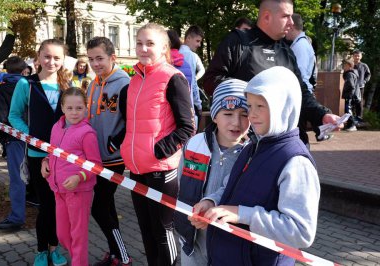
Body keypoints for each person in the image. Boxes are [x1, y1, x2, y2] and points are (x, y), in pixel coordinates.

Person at [203, 66, 320, 265]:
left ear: (282, 107)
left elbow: (301, 232)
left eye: (261, 106)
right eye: (250, 105)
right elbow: (230, 187)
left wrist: (242, 214)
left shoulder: (295, 162)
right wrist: (212, 203)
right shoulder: (252, 147)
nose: (252, 114)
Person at [203, 0, 341, 145]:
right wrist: (248, 99)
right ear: (267, 17)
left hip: (281, 142)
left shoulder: (287, 52)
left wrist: (322, 114)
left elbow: (300, 93)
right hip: (244, 143)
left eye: (291, 17)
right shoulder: (238, 42)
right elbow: (211, 80)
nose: (291, 23)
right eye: (285, 16)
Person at [121, 23, 195, 266]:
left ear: (164, 47)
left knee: (163, 231)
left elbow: (187, 126)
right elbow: (132, 124)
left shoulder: (173, 78)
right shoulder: (133, 81)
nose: (143, 48)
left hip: (161, 170)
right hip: (136, 168)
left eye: (150, 43)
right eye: (139, 42)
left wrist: (159, 151)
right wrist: (121, 144)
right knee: (146, 231)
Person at [175, 79, 250, 266]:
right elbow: (180, 184)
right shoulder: (194, 144)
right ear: (215, 115)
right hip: (193, 240)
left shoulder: (252, 154)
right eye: (228, 113)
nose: (236, 122)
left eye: (244, 114)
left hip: (231, 244)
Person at [9, 39, 69, 266]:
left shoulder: (66, 84)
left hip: (62, 157)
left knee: (58, 206)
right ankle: (42, 250)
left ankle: (55, 248)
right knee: (47, 205)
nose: (51, 61)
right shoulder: (27, 84)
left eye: (56, 58)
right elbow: (14, 116)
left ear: (63, 60)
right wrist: (31, 137)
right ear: (38, 57)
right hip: (37, 155)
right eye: (47, 56)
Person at [41, 87, 102, 266]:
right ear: (62, 108)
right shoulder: (56, 127)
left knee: (78, 235)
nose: (74, 113)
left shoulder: (87, 133)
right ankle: (77, 256)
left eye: (79, 108)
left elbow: (96, 165)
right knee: (62, 234)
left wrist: (79, 177)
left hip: (79, 191)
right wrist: (45, 162)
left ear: (86, 108)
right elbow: (53, 152)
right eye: (70, 108)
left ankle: (79, 262)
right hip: (58, 189)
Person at [86, 36, 132, 266]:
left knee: (99, 207)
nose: (95, 64)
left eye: (100, 59)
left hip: (113, 159)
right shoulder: (92, 84)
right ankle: (115, 253)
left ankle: (122, 256)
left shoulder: (125, 84)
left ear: (113, 58)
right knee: (107, 207)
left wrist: (116, 142)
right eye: (91, 59)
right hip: (94, 157)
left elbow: (132, 121)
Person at [0, 56, 28, 230]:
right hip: (35, 138)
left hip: (14, 139)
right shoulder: (31, 85)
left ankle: (16, 217)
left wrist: (4, 140)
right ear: (24, 70)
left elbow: (0, 117)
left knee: (17, 179)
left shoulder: (3, 89)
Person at [179, 25, 204, 129]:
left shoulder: (174, 53)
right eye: (197, 41)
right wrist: (198, 104)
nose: (199, 45)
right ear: (188, 38)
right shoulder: (190, 56)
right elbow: (192, 83)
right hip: (188, 104)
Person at [285, 13, 316, 94]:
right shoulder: (300, 43)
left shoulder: (300, 45)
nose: (285, 30)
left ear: (292, 27)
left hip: (301, 92)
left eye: (286, 26)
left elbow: (300, 74)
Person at [352, 50, 371, 123]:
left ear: (361, 57)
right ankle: (351, 117)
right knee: (351, 101)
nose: (357, 57)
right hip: (351, 86)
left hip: (360, 86)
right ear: (353, 56)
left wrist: (364, 81)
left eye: (358, 56)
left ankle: (359, 117)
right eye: (355, 55)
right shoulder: (351, 64)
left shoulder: (364, 65)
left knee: (359, 101)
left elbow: (368, 74)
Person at [341, 59, 360, 132]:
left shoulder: (349, 74)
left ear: (350, 66)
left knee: (348, 111)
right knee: (348, 111)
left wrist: (349, 95)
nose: (344, 67)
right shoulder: (351, 73)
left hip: (350, 96)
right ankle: (349, 125)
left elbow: (351, 85)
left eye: (345, 66)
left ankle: (352, 125)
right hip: (351, 95)